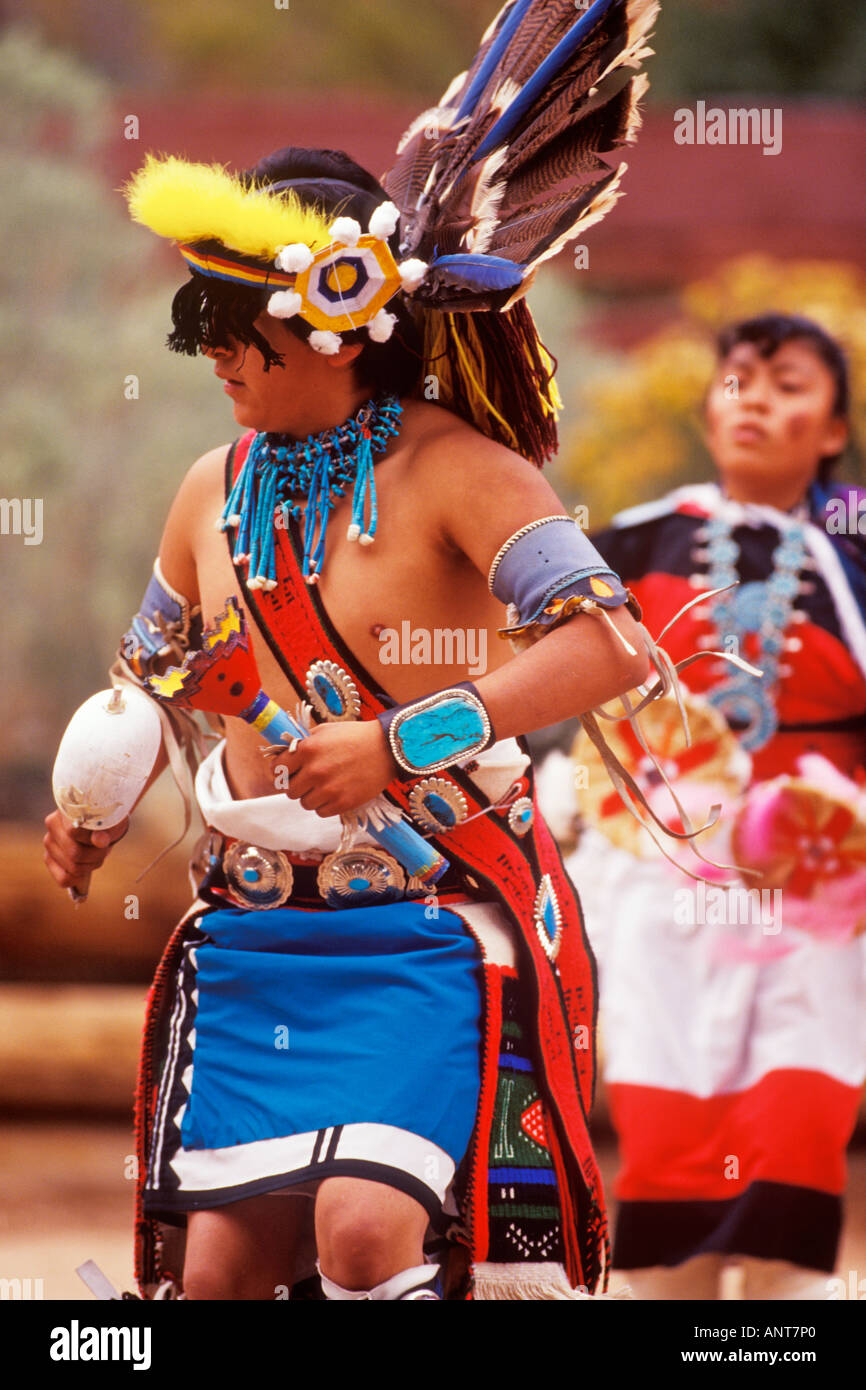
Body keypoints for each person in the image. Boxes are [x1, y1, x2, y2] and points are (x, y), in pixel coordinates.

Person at [42, 1, 663, 1300]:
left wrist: (397, 740)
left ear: (336, 319)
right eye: (201, 321)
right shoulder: (209, 488)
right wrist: (95, 805)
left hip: (422, 931)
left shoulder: (461, 472)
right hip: (255, 939)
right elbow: (153, 680)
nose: (213, 352)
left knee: (365, 1237)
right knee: (218, 1273)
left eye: (234, 322)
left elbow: (608, 646)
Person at [563, 313, 866, 1300]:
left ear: (833, 429)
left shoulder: (856, 543)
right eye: (737, 380)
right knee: (667, 1123)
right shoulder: (628, 542)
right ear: (706, 410)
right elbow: (559, 685)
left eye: (788, 384)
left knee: (796, 1121)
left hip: (819, 879)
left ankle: (778, 1324)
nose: (755, 401)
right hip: (663, 876)